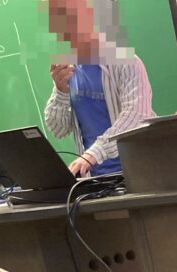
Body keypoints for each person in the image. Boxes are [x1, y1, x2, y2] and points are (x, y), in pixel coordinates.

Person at [43, 0, 154, 177]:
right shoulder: (68, 68)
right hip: (93, 180)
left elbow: (136, 117)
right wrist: (61, 91)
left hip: (137, 173)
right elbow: (58, 129)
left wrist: (93, 154)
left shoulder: (127, 62)